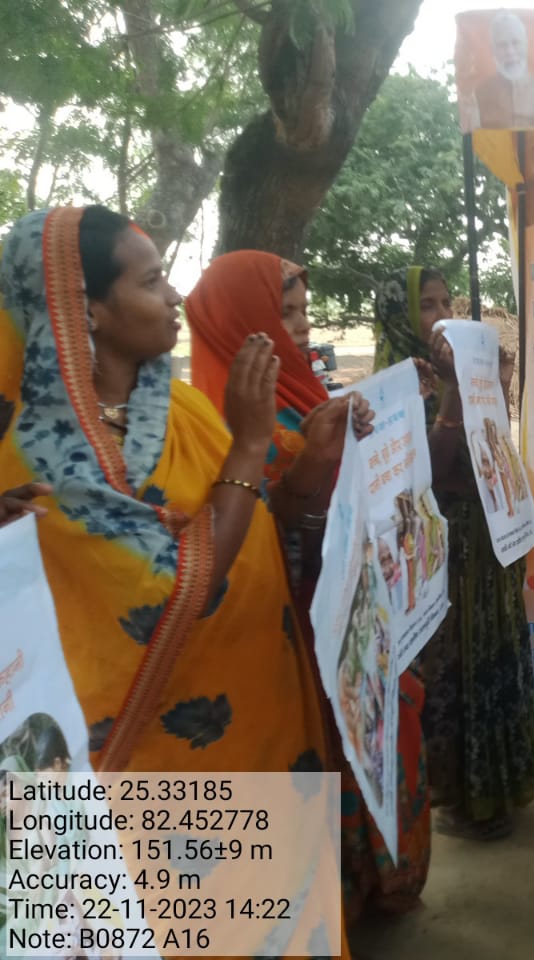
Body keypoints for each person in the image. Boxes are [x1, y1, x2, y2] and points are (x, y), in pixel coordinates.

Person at [0, 205, 348, 956]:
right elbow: (177, 588)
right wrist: (250, 444)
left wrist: (306, 468)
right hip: (145, 776)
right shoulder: (36, 455)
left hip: (256, 734)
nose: (173, 296)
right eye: (152, 280)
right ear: (85, 310)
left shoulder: (179, 407)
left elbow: (254, 521)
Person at [185, 250, 433, 924]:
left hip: (357, 603)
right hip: (294, 624)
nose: (299, 327)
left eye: (301, 311)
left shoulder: (303, 394)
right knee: (329, 752)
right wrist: (314, 476)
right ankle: (344, 897)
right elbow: (246, 534)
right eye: (283, 312)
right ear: (241, 321)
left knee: (380, 736)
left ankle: (384, 882)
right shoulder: (210, 425)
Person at [374, 265, 534, 842]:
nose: (441, 315)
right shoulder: (393, 387)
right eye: (427, 304)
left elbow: (489, 449)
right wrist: (453, 391)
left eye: (446, 302)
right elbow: (426, 473)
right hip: (444, 556)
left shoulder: (457, 369)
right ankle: (463, 801)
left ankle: (503, 784)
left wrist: (496, 388)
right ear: (398, 317)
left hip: (489, 545)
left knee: (494, 659)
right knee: (456, 672)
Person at [460, 11, 534, 130]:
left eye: (516, 43)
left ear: (526, 44)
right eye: (502, 45)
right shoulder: (479, 95)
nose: (510, 52)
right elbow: (472, 136)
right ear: (493, 50)